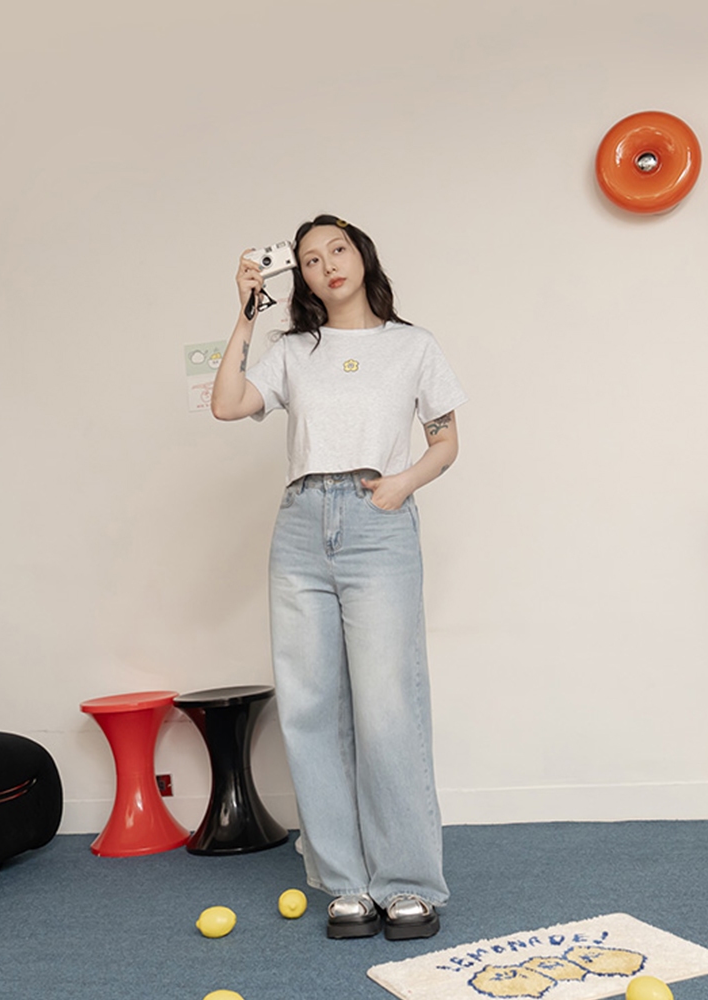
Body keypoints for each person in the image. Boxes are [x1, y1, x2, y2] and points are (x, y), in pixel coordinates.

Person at [211, 214, 467, 941]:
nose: (327, 264)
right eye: (311, 258)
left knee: (388, 707)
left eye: (338, 249)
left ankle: (408, 882)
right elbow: (227, 404)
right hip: (300, 525)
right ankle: (345, 883)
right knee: (311, 707)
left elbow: (446, 441)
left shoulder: (413, 346)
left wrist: (400, 484)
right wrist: (246, 313)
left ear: (362, 256)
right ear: (302, 277)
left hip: (376, 520)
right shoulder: (295, 350)